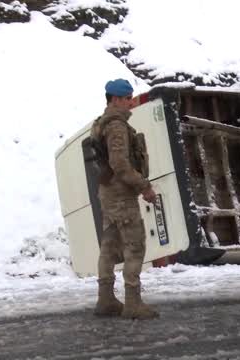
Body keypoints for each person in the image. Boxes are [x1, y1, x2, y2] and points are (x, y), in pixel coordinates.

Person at [90, 78, 159, 320]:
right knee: (134, 245)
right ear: (116, 99)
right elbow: (119, 163)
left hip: (108, 193)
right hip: (121, 195)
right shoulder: (117, 126)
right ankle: (133, 303)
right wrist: (144, 187)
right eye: (128, 98)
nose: (131, 102)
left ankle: (106, 299)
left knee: (108, 247)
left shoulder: (102, 123)